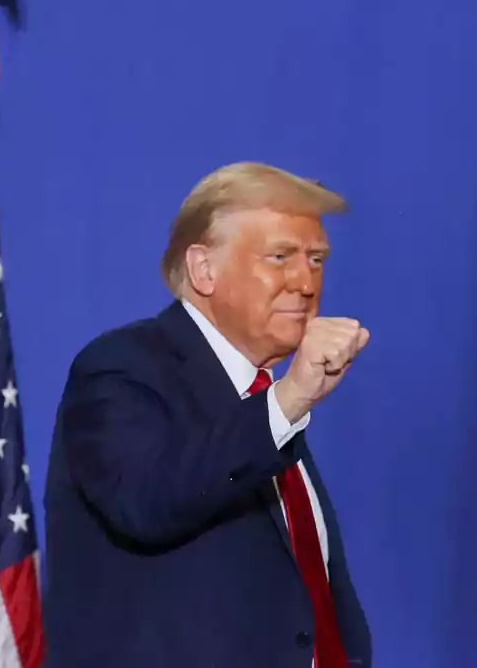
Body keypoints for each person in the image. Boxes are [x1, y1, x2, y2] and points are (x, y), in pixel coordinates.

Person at [41, 162, 372, 667]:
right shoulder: (121, 368)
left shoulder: (264, 399)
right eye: (280, 256)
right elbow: (147, 500)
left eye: (317, 259)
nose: (306, 282)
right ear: (203, 270)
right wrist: (288, 401)